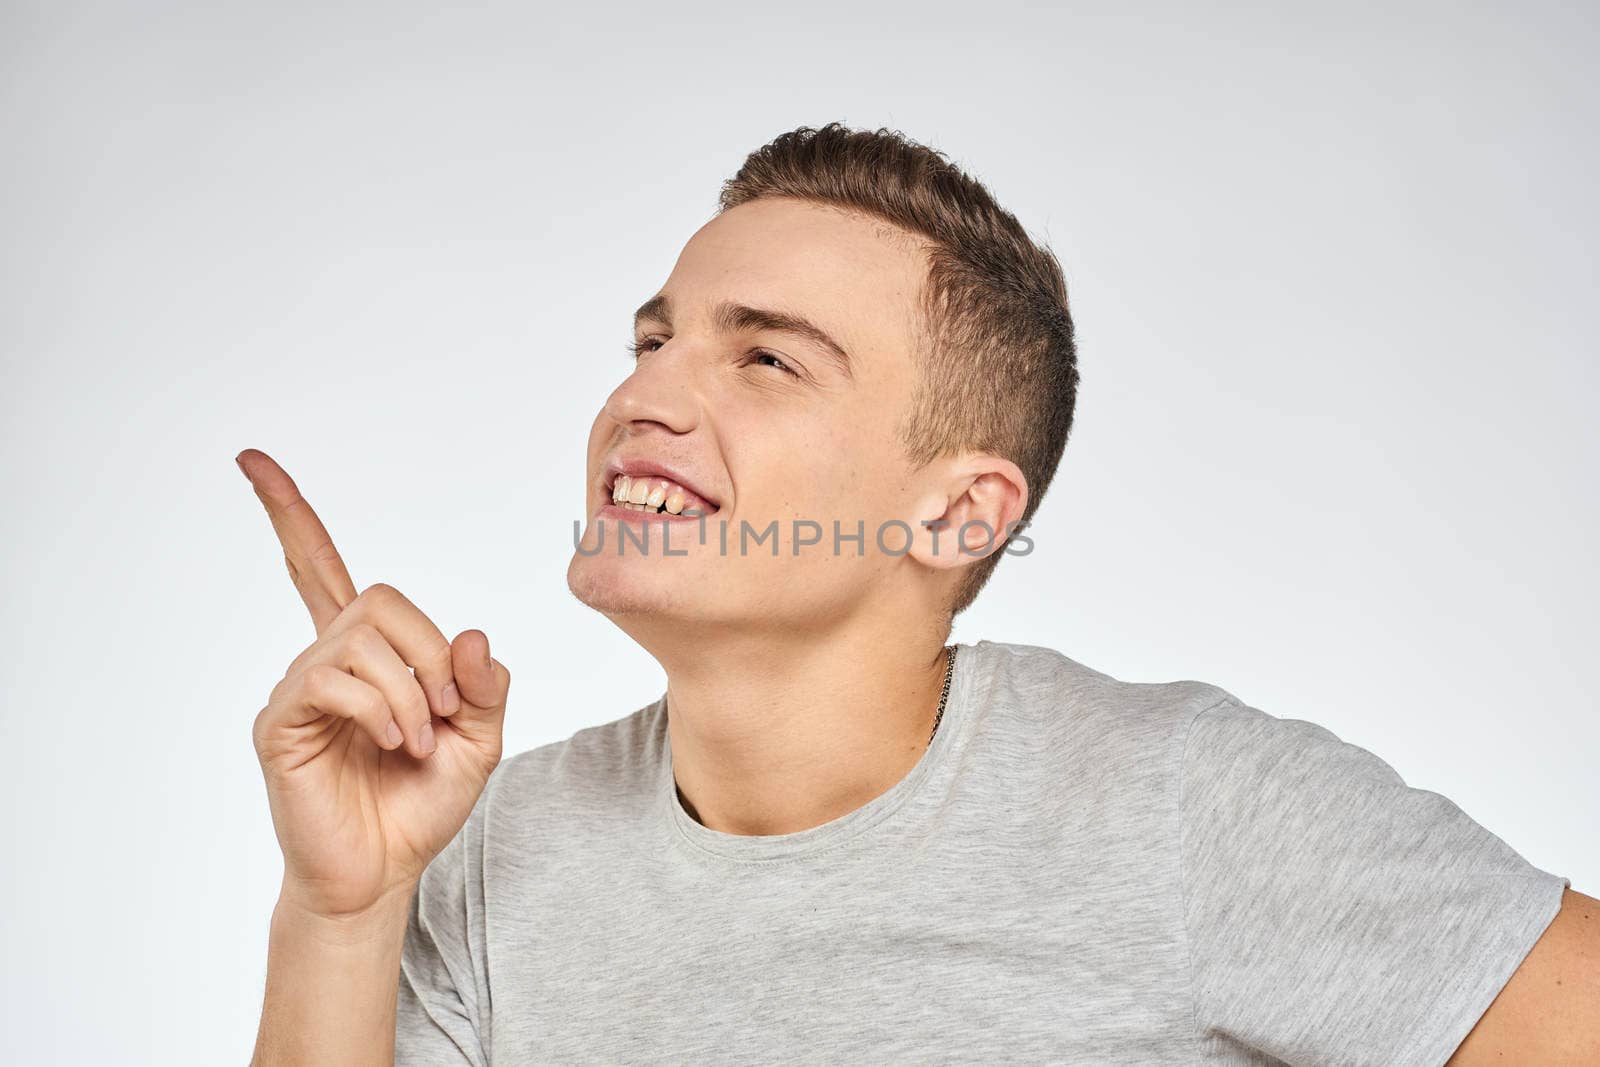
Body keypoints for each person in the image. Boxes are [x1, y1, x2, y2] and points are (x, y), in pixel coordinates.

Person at [242, 123, 1598, 1066]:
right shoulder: (491, 849)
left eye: (764, 360)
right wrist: (342, 913)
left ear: (960, 513)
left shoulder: (1189, 809)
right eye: (654, 340)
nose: (643, 394)